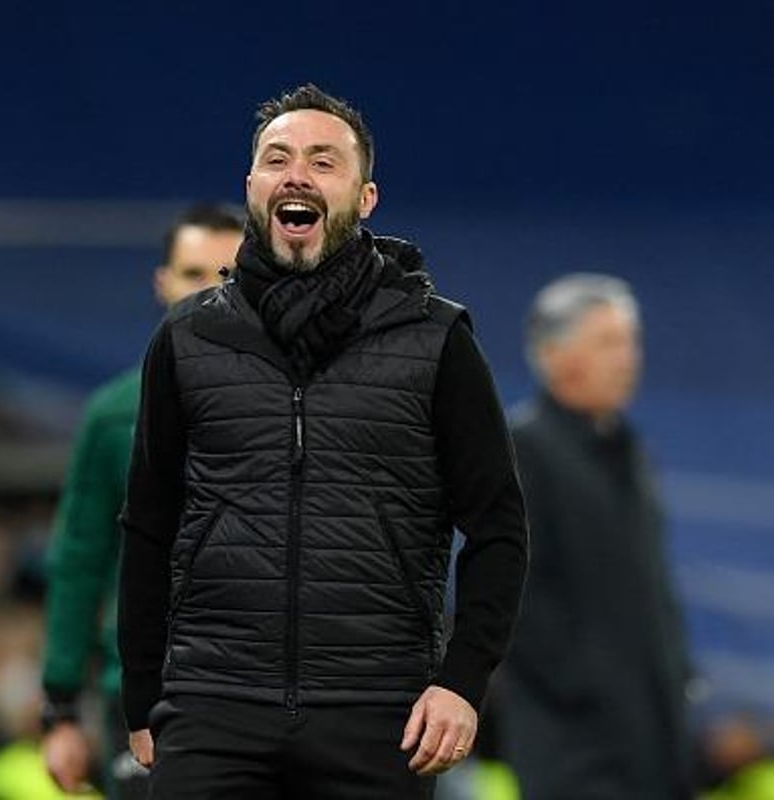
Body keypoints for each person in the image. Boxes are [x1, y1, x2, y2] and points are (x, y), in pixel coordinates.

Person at [117, 83, 528, 799]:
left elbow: (498, 528)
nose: (296, 175)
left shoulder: (435, 338)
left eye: (323, 161)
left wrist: (462, 681)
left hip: (378, 712)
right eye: (277, 159)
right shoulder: (187, 337)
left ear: (365, 199)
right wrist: (142, 692)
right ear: (252, 186)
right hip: (213, 703)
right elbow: (149, 523)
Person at [40, 205, 245, 797]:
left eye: (228, 275)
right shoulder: (114, 416)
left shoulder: (299, 407)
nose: (209, 292)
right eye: (193, 273)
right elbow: (79, 559)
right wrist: (59, 708)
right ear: (163, 282)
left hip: (257, 693)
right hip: (143, 694)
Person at [500, 274, 692, 798]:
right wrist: (593, 686)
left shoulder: (628, 451)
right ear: (555, 355)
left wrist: (678, 672)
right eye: (609, 342)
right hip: (578, 753)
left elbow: (652, 586)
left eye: (631, 341)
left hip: (653, 745)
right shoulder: (524, 450)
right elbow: (512, 596)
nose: (628, 358)